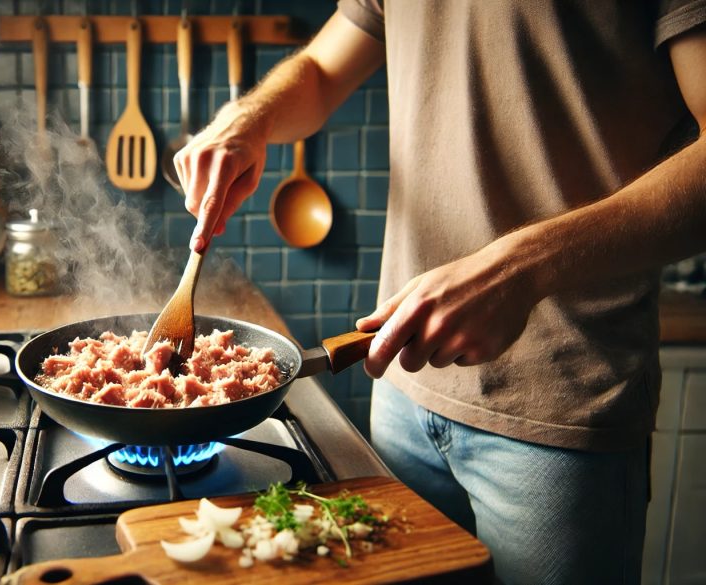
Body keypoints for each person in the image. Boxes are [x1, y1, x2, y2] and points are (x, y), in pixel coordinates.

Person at [172, 2, 706, 584]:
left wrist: (520, 267)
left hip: (561, 411)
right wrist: (252, 116)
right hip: (401, 388)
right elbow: (323, 72)